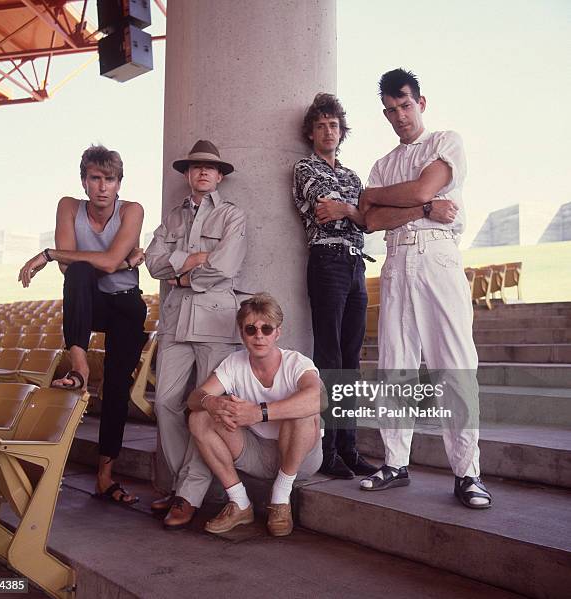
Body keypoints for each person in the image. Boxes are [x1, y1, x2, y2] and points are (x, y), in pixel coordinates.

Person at [358, 68, 492, 509]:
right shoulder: (381, 164)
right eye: (391, 110)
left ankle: (467, 474)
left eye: (406, 105)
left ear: (421, 103)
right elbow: (371, 219)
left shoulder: (445, 141)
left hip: (437, 258)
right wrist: (423, 206)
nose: (400, 115)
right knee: (396, 364)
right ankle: (395, 463)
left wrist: (388, 197)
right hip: (396, 260)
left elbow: (417, 187)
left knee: (453, 362)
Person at [18, 144, 147, 505]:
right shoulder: (68, 206)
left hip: (124, 305)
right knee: (76, 271)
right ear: (84, 181)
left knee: (118, 387)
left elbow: (105, 262)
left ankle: (105, 477)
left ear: (119, 183)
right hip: (89, 300)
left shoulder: (132, 210)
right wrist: (122, 261)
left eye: (110, 179)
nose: (102, 186)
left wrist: (49, 252)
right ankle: (79, 367)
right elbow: (72, 268)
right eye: (95, 178)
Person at [145, 140, 248, 529]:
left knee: (206, 407)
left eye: (210, 167)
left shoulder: (232, 216)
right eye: (195, 167)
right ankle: (178, 485)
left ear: (219, 175)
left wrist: (182, 272)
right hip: (175, 318)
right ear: (188, 174)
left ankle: (189, 494)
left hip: (215, 319)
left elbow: (226, 266)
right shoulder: (172, 217)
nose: (203, 172)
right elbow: (153, 264)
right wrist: (190, 262)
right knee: (167, 403)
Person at [187, 293, 322, 536]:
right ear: (242, 333)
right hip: (256, 453)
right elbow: (194, 398)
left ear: (277, 333)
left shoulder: (297, 362)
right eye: (251, 329)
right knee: (199, 417)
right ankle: (240, 503)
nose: (259, 335)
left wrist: (259, 413)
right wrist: (212, 402)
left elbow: (319, 398)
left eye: (266, 328)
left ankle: (281, 498)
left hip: (300, 456)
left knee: (303, 409)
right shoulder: (233, 363)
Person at [292, 93, 377, 480]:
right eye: (322, 125)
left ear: (342, 133)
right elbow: (325, 209)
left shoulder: (352, 176)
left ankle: (349, 448)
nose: (329, 131)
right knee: (329, 357)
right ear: (311, 131)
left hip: (356, 264)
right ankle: (326, 452)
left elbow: (367, 220)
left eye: (334, 126)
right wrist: (352, 211)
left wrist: (349, 210)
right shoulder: (305, 168)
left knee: (351, 360)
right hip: (326, 262)